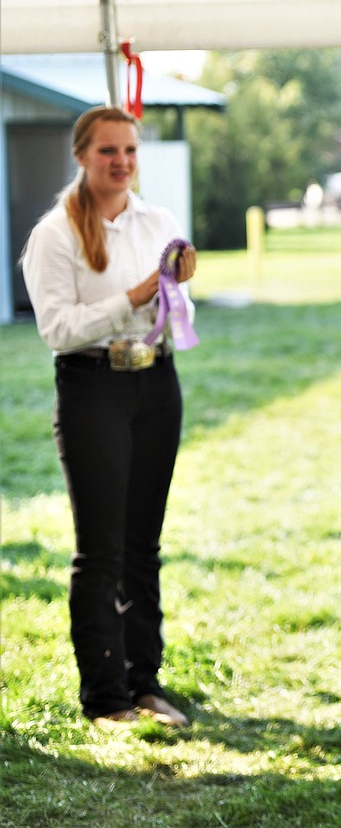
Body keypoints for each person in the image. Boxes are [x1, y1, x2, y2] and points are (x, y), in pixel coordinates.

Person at [22, 105, 197, 730]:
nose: (121, 162)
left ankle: (144, 682)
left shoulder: (160, 221)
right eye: (107, 152)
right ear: (81, 156)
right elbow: (57, 329)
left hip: (157, 383)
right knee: (101, 550)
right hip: (93, 387)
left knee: (143, 546)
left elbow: (180, 305)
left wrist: (172, 295)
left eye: (129, 150)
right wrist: (134, 296)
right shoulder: (55, 233)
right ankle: (104, 697)